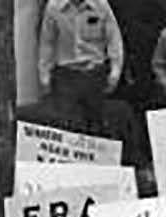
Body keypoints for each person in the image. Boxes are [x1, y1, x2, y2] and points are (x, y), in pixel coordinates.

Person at [37, 0, 125, 134]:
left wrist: (115, 71)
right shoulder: (54, 6)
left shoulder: (100, 5)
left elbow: (113, 38)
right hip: (66, 75)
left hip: (94, 73)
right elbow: (47, 42)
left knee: (96, 126)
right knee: (65, 126)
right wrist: (44, 76)